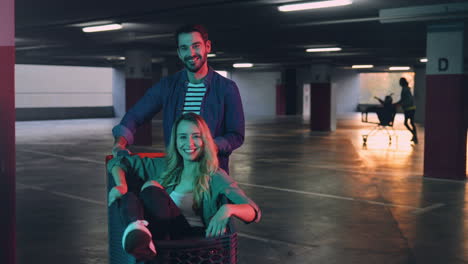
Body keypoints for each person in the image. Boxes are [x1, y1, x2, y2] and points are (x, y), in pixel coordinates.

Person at [107, 113, 261, 262]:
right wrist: (121, 185)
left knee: (151, 186)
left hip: (192, 246)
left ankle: (143, 241)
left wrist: (227, 209)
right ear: (175, 141)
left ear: (205, 140)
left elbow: (253, 211)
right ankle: (138, 231)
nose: (189, 143)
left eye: (196, 136)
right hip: (162, 239)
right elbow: (120, 162)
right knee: (129, 195)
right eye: (182, 137)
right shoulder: (165, 167)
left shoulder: (214, 175)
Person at [112, 24, 244, 173]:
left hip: (212, 173)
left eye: (196, 46)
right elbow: (135, 115)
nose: (191, 53)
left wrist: (210, 145)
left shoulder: (227, 88)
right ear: (179, 53)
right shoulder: (167, 86)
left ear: (207, 46)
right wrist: (120, 143)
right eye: (184, 48)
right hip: (176, 173)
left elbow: (236, 135)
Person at [395, 77, 418, 143]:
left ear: (402, 82)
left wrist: (396, 104)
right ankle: (414, 136)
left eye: (400, 82)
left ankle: (414, 135)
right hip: (412, 108)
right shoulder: (407, 89)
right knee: (411, 123)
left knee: (406, 123)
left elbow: (403, 100)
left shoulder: (404, 90)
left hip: (408, 109)